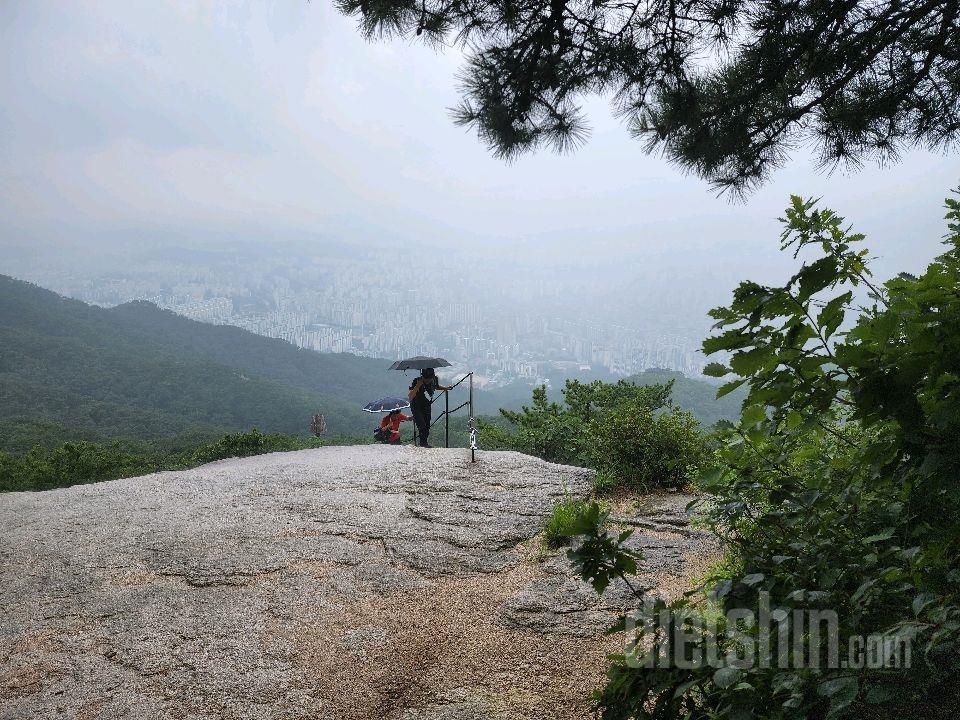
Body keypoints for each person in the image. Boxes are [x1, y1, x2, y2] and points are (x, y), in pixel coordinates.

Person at [407, 367, 452, 447]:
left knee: (427, 425)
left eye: (429, 379)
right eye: (426, 379)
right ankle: (423, 444)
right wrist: (417, 386)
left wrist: (446, 388)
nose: (427, 381)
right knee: (422, 425)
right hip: (416, 406)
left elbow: (436, 386)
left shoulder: (434, 379)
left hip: (427, 405)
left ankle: (424, 443)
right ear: (423, 376)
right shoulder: (416, 381)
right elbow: (410, 396)